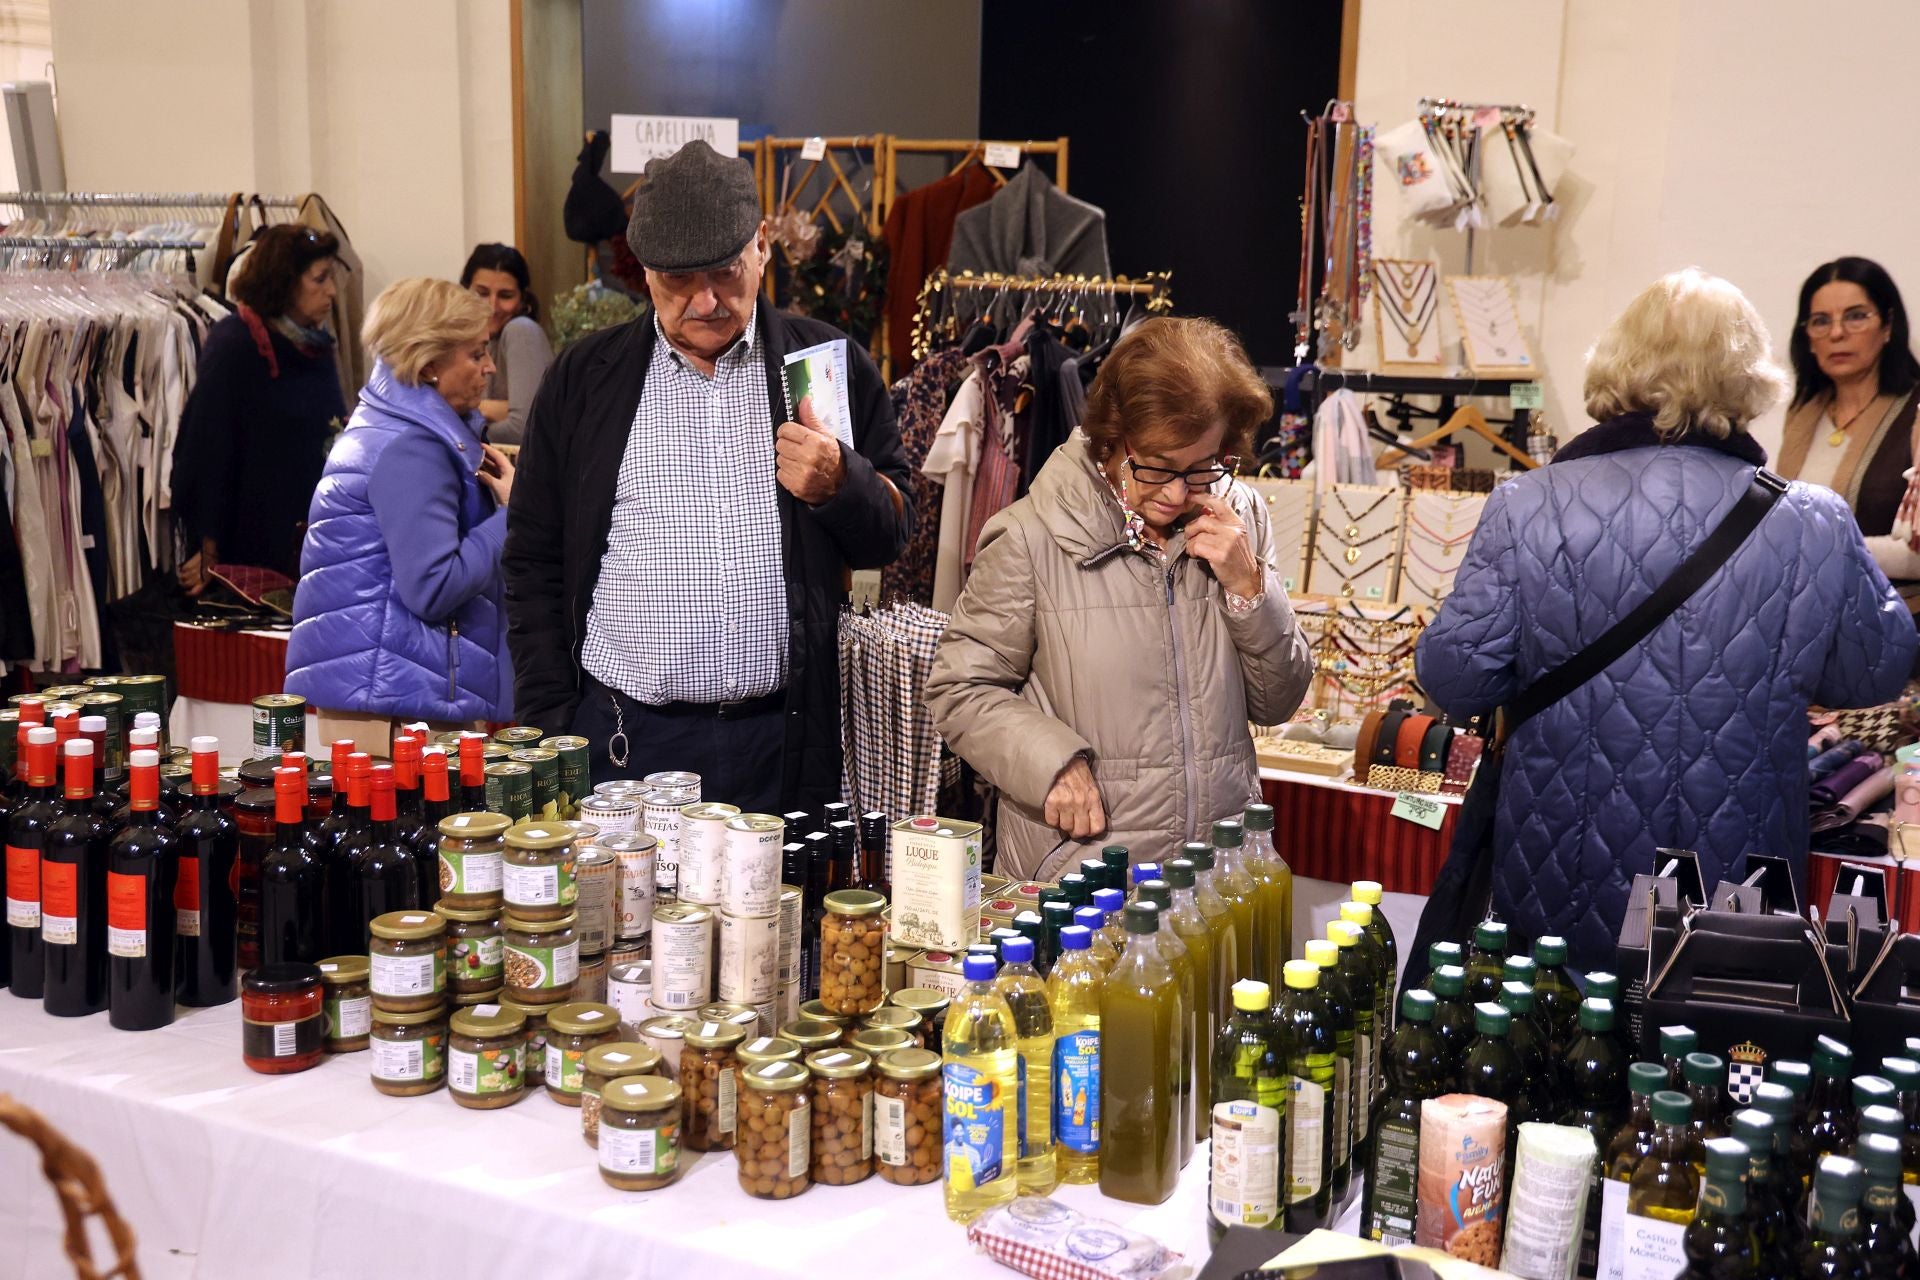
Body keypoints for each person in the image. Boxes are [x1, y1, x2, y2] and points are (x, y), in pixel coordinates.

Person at [1417, 269, 1918, 970]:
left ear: (1620, 365)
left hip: (1562, 851)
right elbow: (1875, 671)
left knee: (1559, 1047)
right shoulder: (1812, 519)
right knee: (1724, 1049)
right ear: (1746, 376)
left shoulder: (1529, 503)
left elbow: (1456, 679)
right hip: (1739, 874)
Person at [503, 139, 912, 812]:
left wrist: (843, 484)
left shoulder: (822, 367)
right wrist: (555, 723)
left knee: (781, 918)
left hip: (784, 742)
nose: (705, 302)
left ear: (761, 246)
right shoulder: (586, 379)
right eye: (677, 281)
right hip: (626, 743)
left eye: (724, 272)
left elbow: (893, 533)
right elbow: (533, 562)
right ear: (643, 272)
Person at [925, 317, 1313, 881]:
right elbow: (959, 688)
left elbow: (1278, 703)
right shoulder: (1031, 538)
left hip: (1218, 881)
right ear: (1112, 437)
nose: (1178, 492)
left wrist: (1250, 588)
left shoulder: (1240, 518)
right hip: (1083, 883)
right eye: (1157, 466)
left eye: (1204, 467)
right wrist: (1050, 765)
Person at [284, 279, 516, 746]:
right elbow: (434, 586)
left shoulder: (390, 428)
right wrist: (517, 516)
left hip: (388, 696)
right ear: (429, 365)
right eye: (476, 355)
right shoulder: (414, 446)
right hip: (401, 709)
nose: (489, 368)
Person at [171, 224, 346, 584]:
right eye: (319, 279)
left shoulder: (315, 346)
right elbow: (206, 448)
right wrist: (208, 547)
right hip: (254, 541)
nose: (331, 291)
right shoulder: (237, 345)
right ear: (284, 281)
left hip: (313, 535)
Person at [1777, 257, 1920, 592]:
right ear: (1809, 338)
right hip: (1808, 617)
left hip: (1899, 622)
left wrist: (1823, 549)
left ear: (1887, 326)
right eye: (1820, 321)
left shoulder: (1916, 412)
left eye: (1856, 316)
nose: (1837, 333)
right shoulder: (1802, 415)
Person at [461, 243, 554, 447]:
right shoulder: (469, 339)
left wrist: (459, 432)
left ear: (522, 300)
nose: (491, 307)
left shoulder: (521, 330)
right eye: (482, 293)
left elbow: (523, 430)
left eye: (505, 296)